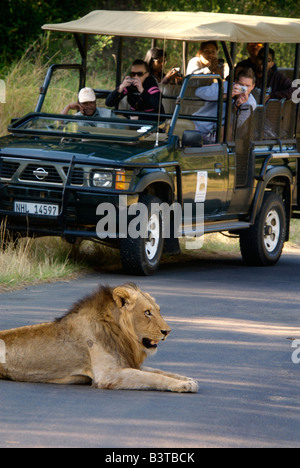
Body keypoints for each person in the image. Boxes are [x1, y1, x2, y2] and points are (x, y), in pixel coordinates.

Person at [193, 68, 257, 140]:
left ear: (253, 86)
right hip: (199, 126)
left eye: (247, 86)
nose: (243, 89)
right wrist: (225, 95)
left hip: (219, 134)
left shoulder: (251, 103)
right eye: (241, 85)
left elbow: (235, 125)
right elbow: (199, 92)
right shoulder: (225, 85)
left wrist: (238, 107)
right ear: (235, 82)